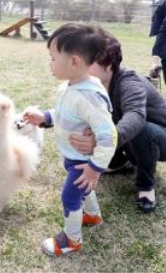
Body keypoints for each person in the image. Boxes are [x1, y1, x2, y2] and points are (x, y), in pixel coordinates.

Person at [70, 28, 166, 213]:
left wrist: (103, 141)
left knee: (140, 129)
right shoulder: (93, 85)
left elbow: (135, 117)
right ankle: (119, 161)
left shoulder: (129, 82)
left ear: (109, 64)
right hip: (135, 136)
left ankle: (145, 186)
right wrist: (47, 118)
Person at [23, 23, 117, 256]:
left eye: (53, 58)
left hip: (85, 162)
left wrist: (95, 169)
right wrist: (45, 117)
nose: (50, 63)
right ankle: (92, 216)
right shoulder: (73, 86)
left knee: (70, 195)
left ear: (74, 62)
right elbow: (68, 115)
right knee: (83, 189)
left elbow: (108, 136)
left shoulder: (88, 96)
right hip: (74, 157)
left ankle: (71, 240)